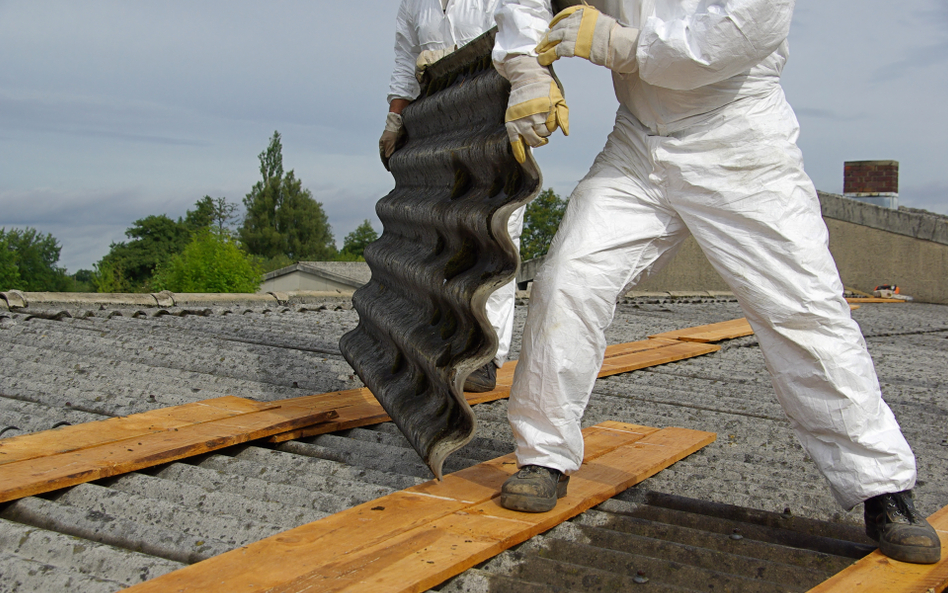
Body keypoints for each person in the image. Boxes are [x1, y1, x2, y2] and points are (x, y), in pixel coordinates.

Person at [491, 0, 941, 564]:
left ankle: (882, 488)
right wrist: (529, 70)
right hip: (637, 144)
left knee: (803, 311)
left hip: (739, 141)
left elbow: (721, 43)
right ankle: (543, 456)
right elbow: (527, 3)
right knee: (566, 280)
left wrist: (615, 43)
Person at [381, 0, 523, 392]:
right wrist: (396, 119)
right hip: (440, 121)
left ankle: (487, 354)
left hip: (496, 115)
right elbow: (404, 62)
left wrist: (464, 60)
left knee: (496, 231)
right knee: (443, 230)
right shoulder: (415, 4)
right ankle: (446, 339)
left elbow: (526, 37)